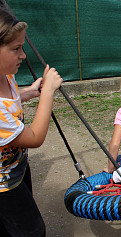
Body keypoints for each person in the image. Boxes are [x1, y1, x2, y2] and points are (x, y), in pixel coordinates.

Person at [0, 8, 63, 237]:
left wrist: (28, 92)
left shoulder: (5, 76)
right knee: (32, 231)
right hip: (4, 188)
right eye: (16, 49)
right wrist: (48, 93)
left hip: (16, 170)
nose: (23, 55)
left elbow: (10, 97)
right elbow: (35, 137)